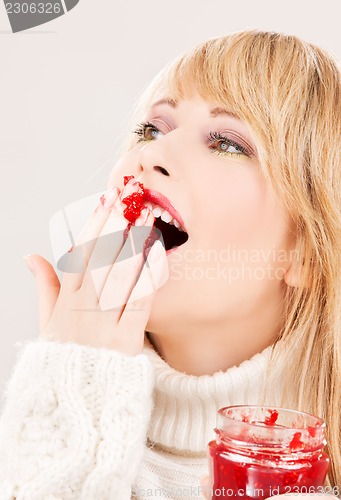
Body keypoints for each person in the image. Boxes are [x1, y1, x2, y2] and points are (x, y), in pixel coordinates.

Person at [0, 30, 339, 499]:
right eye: (151, 129)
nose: (151, 154)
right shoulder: (29, 445)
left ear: (304, 249)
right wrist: (70, 397)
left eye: (225, 142)